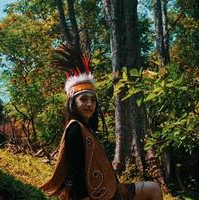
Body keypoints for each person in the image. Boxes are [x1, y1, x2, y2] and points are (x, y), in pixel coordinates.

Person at [40, 44, 163, 200]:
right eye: (83, 99)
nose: (89, 104)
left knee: (153, 188)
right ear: (72, 103)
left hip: (108, 190)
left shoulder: (85, 129)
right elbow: (74, 169)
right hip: (95, 194)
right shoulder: (75, 129)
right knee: (152, 189)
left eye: (93, 100)